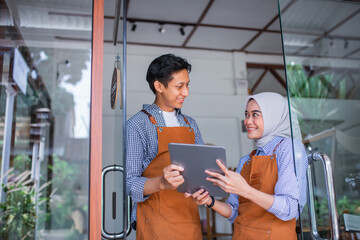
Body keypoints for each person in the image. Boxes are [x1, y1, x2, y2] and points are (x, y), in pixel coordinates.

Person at [186, 92, 308, 240]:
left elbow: (290, 209)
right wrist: (209, 201)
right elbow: (234, 211)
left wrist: (246, 190)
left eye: (255, 114)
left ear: (273, 116)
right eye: (246, 114)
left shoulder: (289, 148)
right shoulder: (246, 160)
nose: (248, 121)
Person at [126, 54, 204, 240]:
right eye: (179, 86)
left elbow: (200, 173)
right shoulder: (137, 125)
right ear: (159, 86)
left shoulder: (190, 124)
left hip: (189, 219)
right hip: (155, 222)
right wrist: (162, 183)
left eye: (187, 85)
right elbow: (129, 183)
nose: (186, 92)